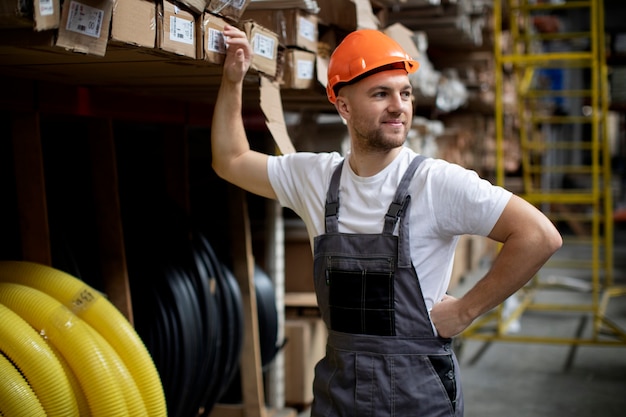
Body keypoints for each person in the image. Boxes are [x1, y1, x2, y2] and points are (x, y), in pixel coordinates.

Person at [212, 25, 562, 417]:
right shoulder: (317, 178)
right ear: (343, 106)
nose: (399, 105)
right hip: (339, 394)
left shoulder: (437, 183)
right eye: (381, 94)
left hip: (418, 396)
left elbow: (539, 235)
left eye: (406, 93)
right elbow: (231, 161)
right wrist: (233, 79)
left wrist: (466, 310)